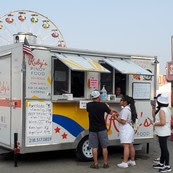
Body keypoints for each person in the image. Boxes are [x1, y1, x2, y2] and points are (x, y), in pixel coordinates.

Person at [86, 90, 116, 169]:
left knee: (94, 147)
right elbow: (111, 113)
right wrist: (106, 105)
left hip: (92, 129)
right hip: (102, 128)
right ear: (99, 97)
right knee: (104, 147)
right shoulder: (103, 106)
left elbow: (89, 110)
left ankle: (95, 164)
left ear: (92, 98)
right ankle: (105, 163)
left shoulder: (88, 105)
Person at [113, 95, 137, 168]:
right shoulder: (128, 108)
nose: (120, 101)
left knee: (126, 146)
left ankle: (125, 162)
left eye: (121, 100)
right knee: (131, 145)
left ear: (125, 102)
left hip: (126, 129)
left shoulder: (125, 110)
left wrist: (115, 118)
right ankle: (132, 161)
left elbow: (123, 121)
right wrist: (118, 114)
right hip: (130, 129)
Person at [152, 93, 172, 172]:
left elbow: (162, 122)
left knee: (164, 149)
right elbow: (154, 116)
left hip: (163, 132)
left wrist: (154, 124)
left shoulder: (162, 110)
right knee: (162, 148)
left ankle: (167, 165)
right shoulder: (165, 109)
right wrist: (153, 108)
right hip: (163, 132)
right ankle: (161, 163)